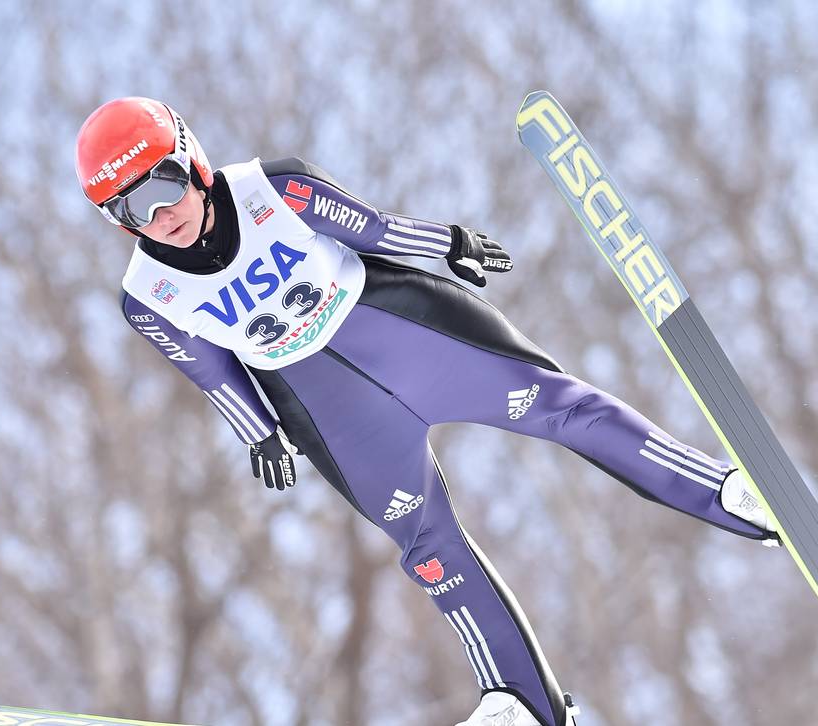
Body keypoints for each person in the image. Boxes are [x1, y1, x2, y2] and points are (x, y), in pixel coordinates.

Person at [74, 97, 776, 726]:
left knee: (562, 410)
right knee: (425, 544)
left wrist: (450, 244)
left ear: (190, 161)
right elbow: (210, 371)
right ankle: (521, 699)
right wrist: (258, 433)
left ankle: (729, 493)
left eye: (163, 186)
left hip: (404, 332)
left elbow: (372, 229)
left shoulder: (271, 186)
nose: (159, 216)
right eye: (130, 210)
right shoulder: (146, 296)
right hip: (328, 408)